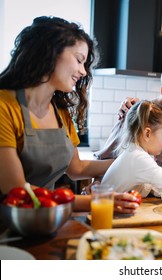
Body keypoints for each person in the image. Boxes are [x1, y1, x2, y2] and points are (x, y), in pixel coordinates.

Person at [0, 16, 137, 214]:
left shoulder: (60, 111)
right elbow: (16, 190)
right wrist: (96, 201)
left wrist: (129, 162)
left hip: (48, 218)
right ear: (50, 51)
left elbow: (77, 169)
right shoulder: (4, 106)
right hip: (9, 224)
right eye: (79, 60)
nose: (83, 71)